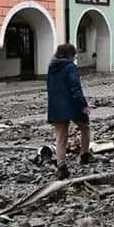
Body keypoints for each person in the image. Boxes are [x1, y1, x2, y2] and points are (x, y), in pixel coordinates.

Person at [46, 43, 91, 180]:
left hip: (56, 106)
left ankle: (61, 167)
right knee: (85, 127)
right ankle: (84, 155)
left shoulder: (51, 68)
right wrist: (84, 106)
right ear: (70, 55)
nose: (75, 58)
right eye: (74, 55)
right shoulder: (70, 67)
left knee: (60, 137)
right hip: (72, 106)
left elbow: (50, 88)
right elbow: (75, 89)